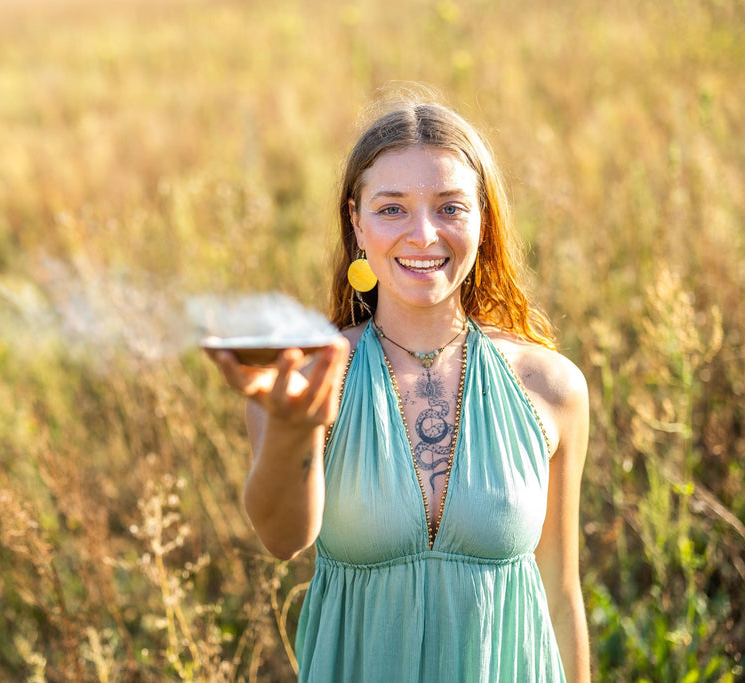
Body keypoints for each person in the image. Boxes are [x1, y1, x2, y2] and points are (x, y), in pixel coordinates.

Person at [206, 91, 591, 682]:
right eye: (392, 209)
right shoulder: (306, 377)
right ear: (356, 224)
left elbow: (562, 597)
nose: (423, 234)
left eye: (450, 208)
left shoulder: (551, 387)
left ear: (483, 222)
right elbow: (282, 539)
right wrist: (291, 430)